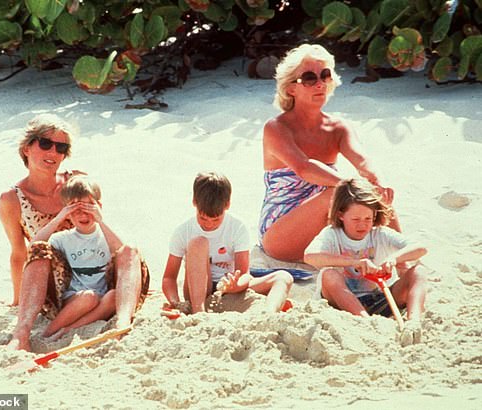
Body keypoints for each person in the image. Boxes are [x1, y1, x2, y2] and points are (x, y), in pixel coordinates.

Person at [258, 44, 400, 262]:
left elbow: (362, 160)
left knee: (376, 192)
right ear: (290, 88)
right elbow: (304, 168)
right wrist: (353, 186)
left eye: (325, 76)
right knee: (342, 192)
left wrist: (378, 181)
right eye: (309, 78)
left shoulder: (338, 127)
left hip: (325, 230)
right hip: (281, 232)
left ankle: (403, 260)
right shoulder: (276, 127)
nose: (319, 84)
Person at [9, 175, 150, 351]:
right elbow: (34, 247)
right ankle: (44, 332)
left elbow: (124, 254)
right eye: (76, 209)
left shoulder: (108, 234)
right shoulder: (63, 238)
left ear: (99, 207)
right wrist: (60, 217)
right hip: (75, 299)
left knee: (127, 257)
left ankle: (119, 323)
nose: (83, 214)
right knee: (88, 298)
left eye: (88, 207)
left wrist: (100, 220)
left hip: (106, 300)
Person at [304, 178, 427, 345]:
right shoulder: (332, 234)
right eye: (355, 219)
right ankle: (366, 323)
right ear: (341, 215)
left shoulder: (380, 233)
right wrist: (354, 262)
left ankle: (413, 323)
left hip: (378, 299)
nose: (362, 225)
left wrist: (393, 259)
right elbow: (310, 256)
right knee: (329, 274)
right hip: (341, 304)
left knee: (418, 272)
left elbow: (421, 248)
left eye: (368, 219)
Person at [162, 172, 293, 314]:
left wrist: (235, 286)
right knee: (198, 242)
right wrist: (175, 302)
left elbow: (244, 274)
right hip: (197, 291)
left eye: (216, 220)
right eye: (203, 218)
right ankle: (198, 312)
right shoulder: (184, 231)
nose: (209, 225)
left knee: (284, 277)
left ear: (227, 205)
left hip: (228, 288)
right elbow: (169, 277)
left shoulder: (237, 227)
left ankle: (269, 313)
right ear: (194, 202)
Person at [0, 114, 80, 306]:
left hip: (90, 266)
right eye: (45, 144)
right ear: (26, 148)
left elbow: (98, 231)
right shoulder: (11, 199)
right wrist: (19, 301)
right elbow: (19, 253)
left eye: (61, 148)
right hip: (52, 280)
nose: (53, 152)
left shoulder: (74, 183)